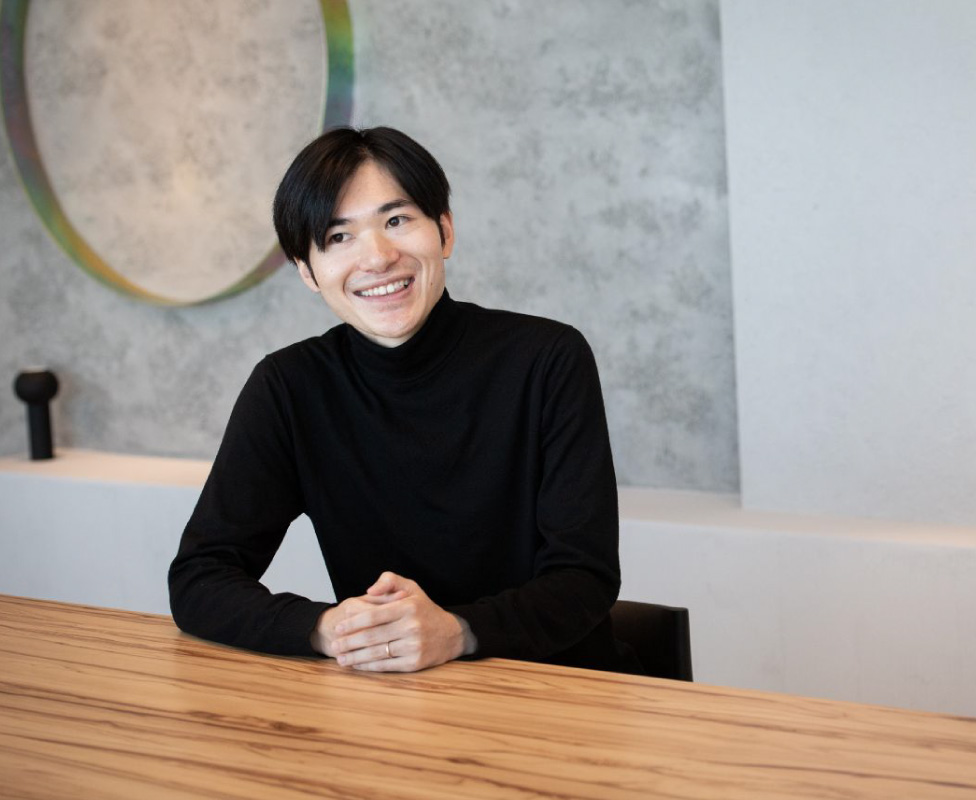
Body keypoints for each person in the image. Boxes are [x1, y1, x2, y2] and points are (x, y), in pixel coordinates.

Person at [168, 126, 639, 675]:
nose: (377, 257)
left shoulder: (546, 359)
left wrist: (457, 632)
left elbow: (584, 577)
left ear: (444, 231)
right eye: (338, 236)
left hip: (555, 690)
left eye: (396, 221)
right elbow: (200, 578)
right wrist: (327, 629)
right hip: (390, 698)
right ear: (307, 271)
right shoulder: (290, 387)